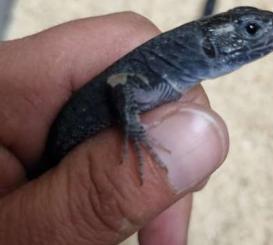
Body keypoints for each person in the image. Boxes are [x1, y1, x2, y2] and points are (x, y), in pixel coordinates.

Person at [0, 12, 229, 245]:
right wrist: (134, 128)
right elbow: (120, 84)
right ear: (209, 47)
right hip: (55, 152)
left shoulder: (165, 72)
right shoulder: (160, 73)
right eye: (251, 30)